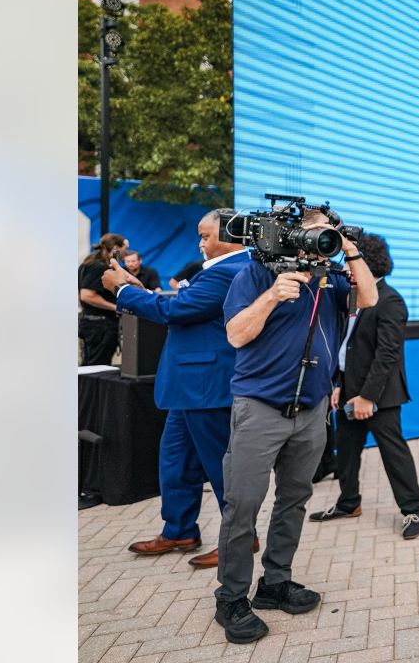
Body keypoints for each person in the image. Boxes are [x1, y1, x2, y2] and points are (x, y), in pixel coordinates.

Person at [213, 209, 378, 644]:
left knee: (294, 500)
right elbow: (235, 336)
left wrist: (349, 248)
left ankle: (275, 583)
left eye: (330, 230)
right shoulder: (254, 273)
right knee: (243, 504)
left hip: (311, 409)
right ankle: (230, 598)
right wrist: (271, 297)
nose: (324, 237)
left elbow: (371, 299)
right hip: (259, 408)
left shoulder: (332, 279)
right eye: (317, 229)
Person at [102, 209, 253, 568]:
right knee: (175, 462)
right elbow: (181, 306)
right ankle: (179, 529)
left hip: (207, 386)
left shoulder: (232, 271)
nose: (200, 243)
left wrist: (122, 290)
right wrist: (138, 291)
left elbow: (179, 310)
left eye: (205, 236)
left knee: (220, 469)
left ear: (231, 235)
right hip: (190, 386)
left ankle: (240, 540)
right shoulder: (222, 270)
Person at [309, 234, 419, 541]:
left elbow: (387, 355)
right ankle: (348, 503)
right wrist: (338, 385)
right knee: (346, 451)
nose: (345, 266)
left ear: (367, 261)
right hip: (347, 388)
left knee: (393, 452)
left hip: (379, 395)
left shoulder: (391, 300)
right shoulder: (351, 294)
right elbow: (344, 347)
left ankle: (412, 510)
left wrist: (367, 397)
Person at [78, 232, 126, 365]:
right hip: (100, 326)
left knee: (89, 365)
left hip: (91, 322)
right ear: (116, 247)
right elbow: (87, 295)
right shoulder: (99, 267)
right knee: (98, 367)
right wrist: (115, 307)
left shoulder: (87, 263)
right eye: (124, 249)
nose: (125, 253)